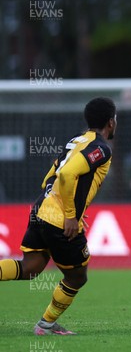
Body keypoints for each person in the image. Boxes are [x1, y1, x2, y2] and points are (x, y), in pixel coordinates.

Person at [0, 97, 117, 335]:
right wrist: (71, 215)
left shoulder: (76, 140)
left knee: (30, 267)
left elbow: (52, 174)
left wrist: (53, 201)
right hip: (59, 220)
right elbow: (67, 175)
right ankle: (46, 325)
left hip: (41, 209)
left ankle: (46, 325)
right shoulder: (102, 149)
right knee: (77, 277)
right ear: (111, 122)